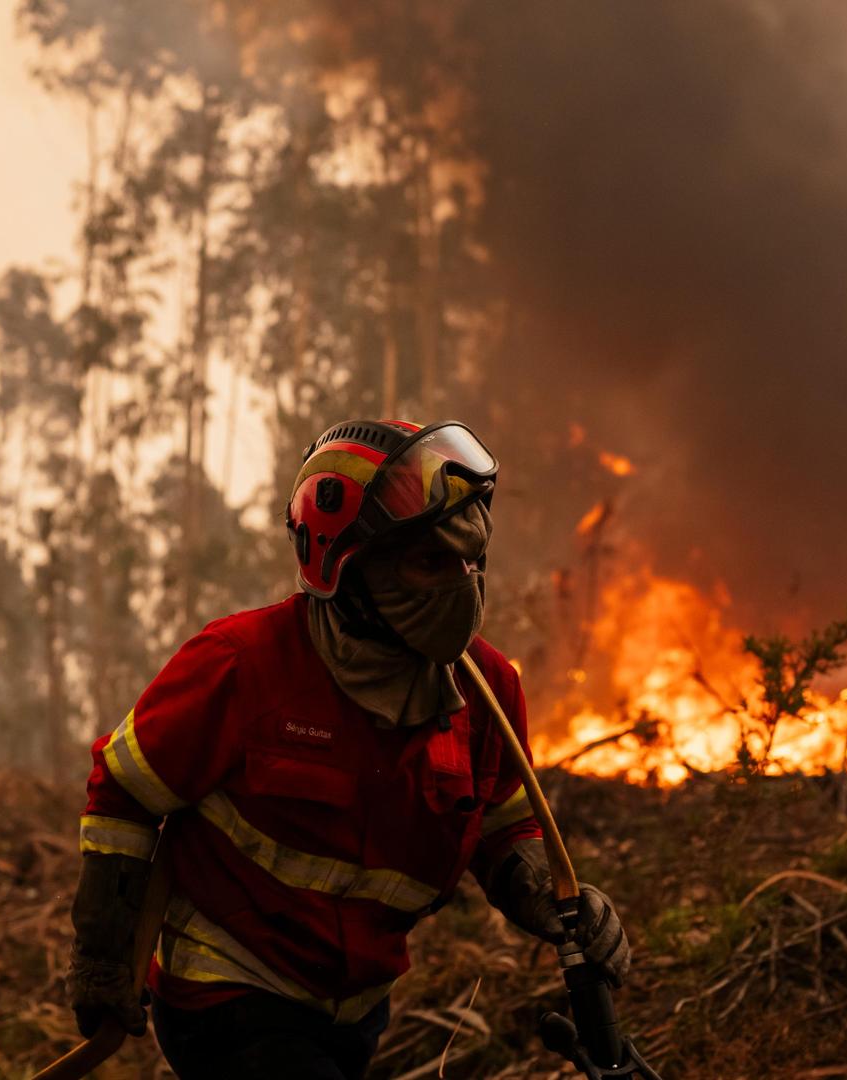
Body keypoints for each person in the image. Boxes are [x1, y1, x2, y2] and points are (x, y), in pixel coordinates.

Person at [67, 418, 631, 1079]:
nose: (461, 583)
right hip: (228, 991)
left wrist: (555, 900)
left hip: (356, 1010)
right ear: (343, 562)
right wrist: (103, 956)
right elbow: (123, 791)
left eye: (470, 561)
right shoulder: (240, 667)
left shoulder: (490, 693)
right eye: (429, 562)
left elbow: (503, 827)